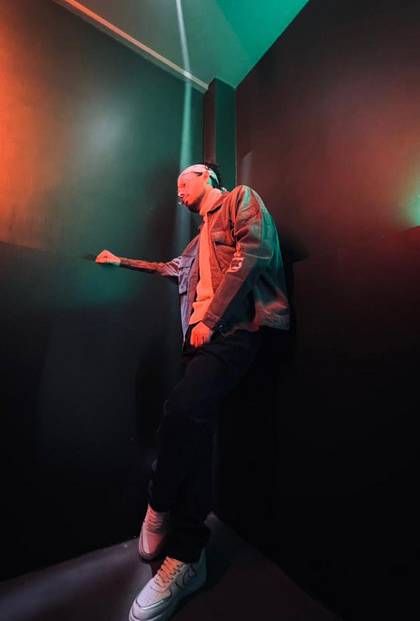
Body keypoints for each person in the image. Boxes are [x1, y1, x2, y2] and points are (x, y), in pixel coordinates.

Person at [96, 163, 289, 621]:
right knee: (194, 432)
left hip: (233, 329)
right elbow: (173, 268)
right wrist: (121, 261)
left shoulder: (240, 198)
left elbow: (255, 251)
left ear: (206, 175)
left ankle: (164, 512)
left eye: (184, 182)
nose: (178, 191)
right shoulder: (198, 239)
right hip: (199, 339)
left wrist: (210, 319)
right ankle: (190, 557)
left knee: (182, 412)